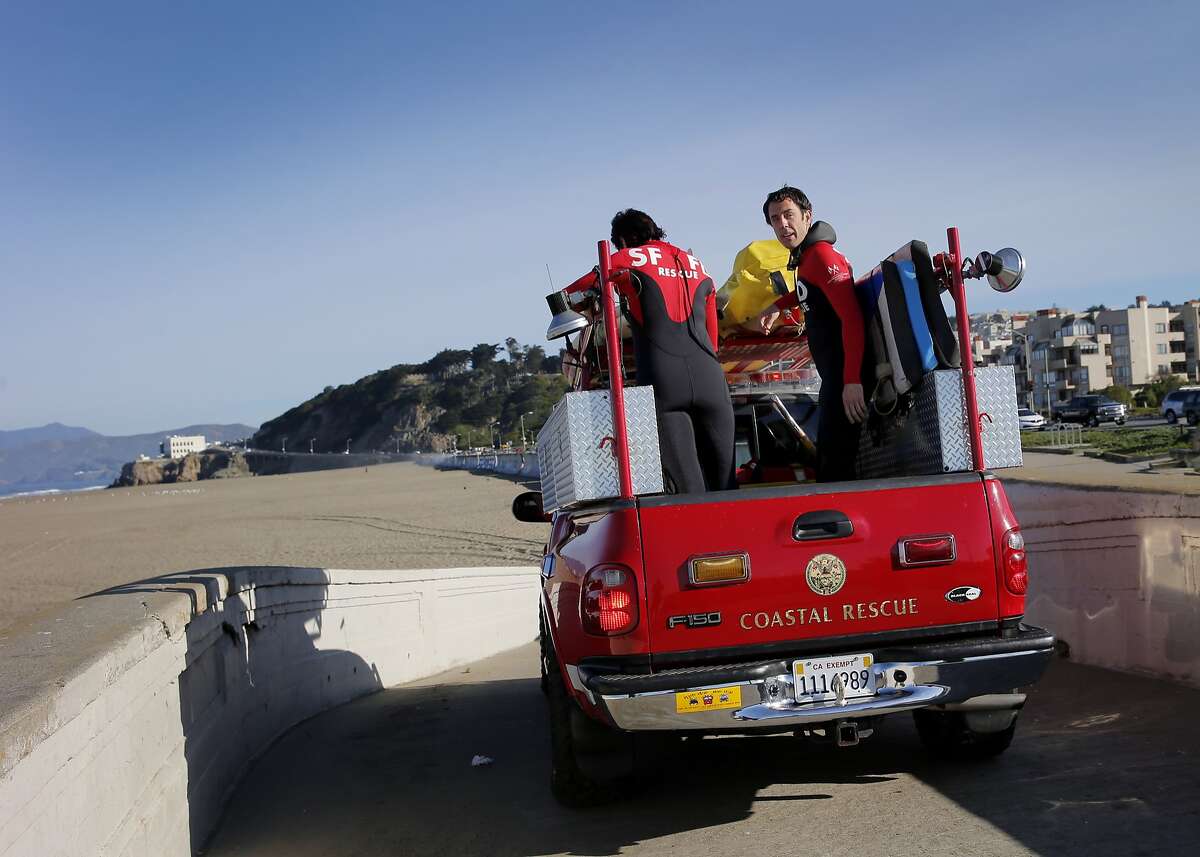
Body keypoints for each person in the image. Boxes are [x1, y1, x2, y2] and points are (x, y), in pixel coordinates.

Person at [564, 209, 735, 493]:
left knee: (687, 491)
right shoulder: (696, 263)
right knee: (727, 486)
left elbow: (569, 296)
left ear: (621, 239)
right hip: (711, 379)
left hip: (663, 379)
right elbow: (712, 337)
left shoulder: (628, 257)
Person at [757, 187, 866, 482]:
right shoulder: (806, 259)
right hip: (835, 378)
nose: (782, 224)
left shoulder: (820, 255)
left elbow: (852, 318)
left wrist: (852, 381)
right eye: (775, 219)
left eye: (788, 215)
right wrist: (778, 304)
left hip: (845, 379)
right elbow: (812, 291)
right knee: (830, 463)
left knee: (836, 468)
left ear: (807, 216)